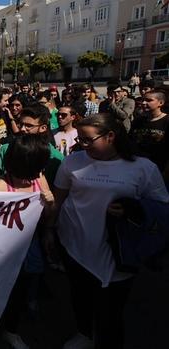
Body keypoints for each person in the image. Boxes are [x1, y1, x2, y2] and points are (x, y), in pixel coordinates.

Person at [53, 114, 169, 349]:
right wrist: (48, 231)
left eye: (87, 140)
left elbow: (162, 207)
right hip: (74, 244)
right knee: (80, 296)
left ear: (110, 136)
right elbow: (58, 200)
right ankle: (84, 333)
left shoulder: (143, 167)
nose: (81, 145)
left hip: (119, 253)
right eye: (80, 139)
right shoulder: (72, 162)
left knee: (111, 312)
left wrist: (133, 209)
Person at [0, 134, 55, 349]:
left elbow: (48, 217)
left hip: (30, 245)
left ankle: (11, 330)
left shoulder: (39, 179)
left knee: (21, 290)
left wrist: (50, 204)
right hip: (2, 250)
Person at [130, 91, 169, 180]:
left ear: (161, 103)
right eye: (143, 100)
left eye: (148, 100)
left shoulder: (166, 121)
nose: (143, 103)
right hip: (137, 169)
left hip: (160, 170)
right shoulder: (138, 121)